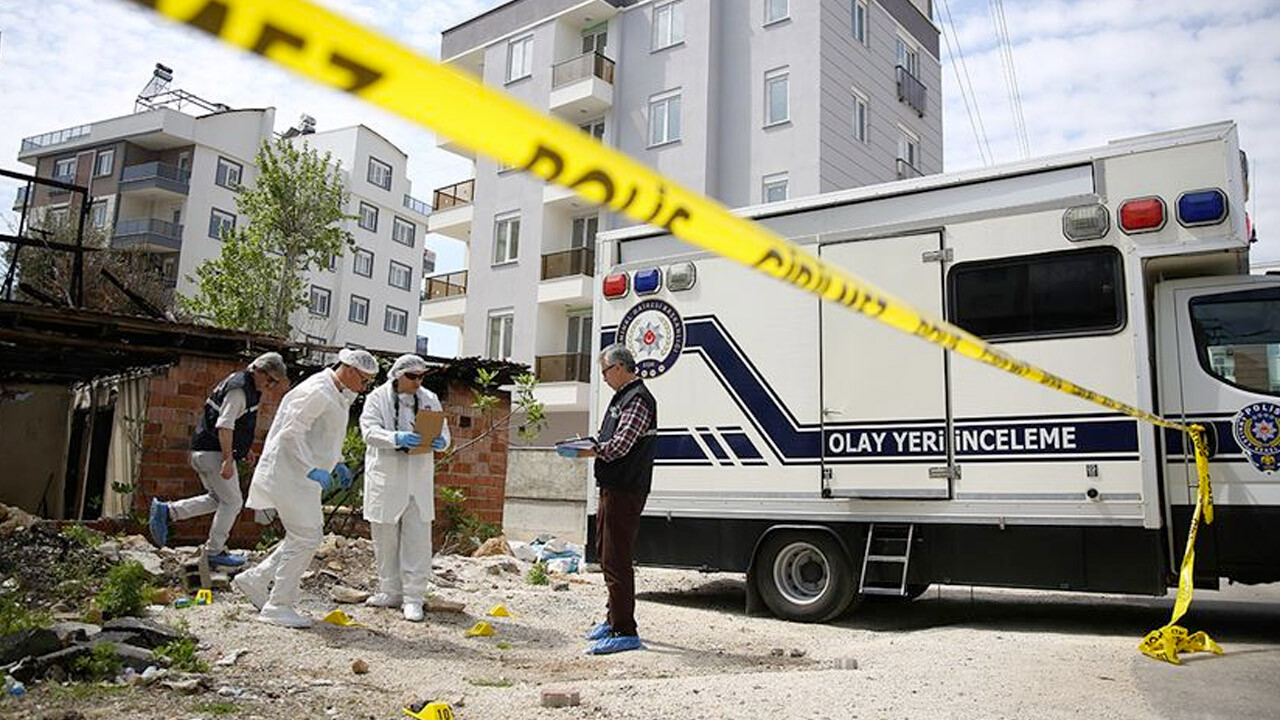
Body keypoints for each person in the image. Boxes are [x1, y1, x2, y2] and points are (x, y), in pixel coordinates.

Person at [231, 348, 377, 628]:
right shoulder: (318, 391)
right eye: (365, 380)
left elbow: (324, 436)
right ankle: (278, 605)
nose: (365, 386)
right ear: (348, 370)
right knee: (308, 536)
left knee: (302, 535)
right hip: (290, 474)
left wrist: (339, 463)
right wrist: (310, 467)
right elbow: (291, 433)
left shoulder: (336, 393)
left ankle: (256, 579)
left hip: (302, 478)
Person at [148, 352, 289, 567]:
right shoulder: (240, 390)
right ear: (257, 371)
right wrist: (227, 459)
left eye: (275, 382)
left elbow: (237, 424)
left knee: (218, 499)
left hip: (205, 451)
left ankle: (169, 511)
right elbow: (225, 425)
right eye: (270, 380)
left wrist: (245, 448)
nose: (271, 385)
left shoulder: (244, 386)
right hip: (213, 453)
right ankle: (214, 551)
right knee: (233, 502)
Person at [359, 354, 450, 622]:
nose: (418, 381)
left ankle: (413, 598)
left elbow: (444, 434)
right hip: (387, 477)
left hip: (418, 478)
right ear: (397, 375)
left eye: (422, 376)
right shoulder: (377, 398)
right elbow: (369, 432)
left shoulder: (430, 398)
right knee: (385, 537)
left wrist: (440, 443)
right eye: (412, 376)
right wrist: (396, 438)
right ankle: (390, 591)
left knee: (417, 540)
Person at [582, 343, 657, 654]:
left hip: (626, 488)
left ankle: (625, 630)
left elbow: (622, 445)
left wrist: (592, 450)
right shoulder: (622, 397)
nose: (604, 378)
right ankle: (613, 619)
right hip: (613, 486)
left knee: (617, 559)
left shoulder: (637, 398)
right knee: (606, 553)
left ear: (619, 367)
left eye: (605, 371)